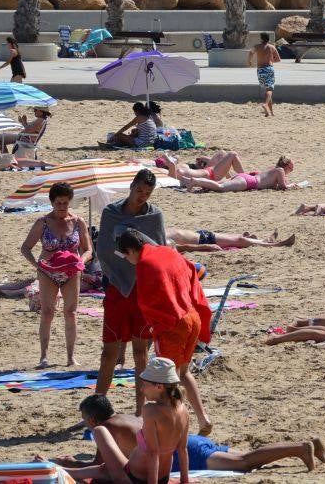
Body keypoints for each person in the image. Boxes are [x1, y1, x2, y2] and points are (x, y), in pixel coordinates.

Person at [57, 394, 325, 476]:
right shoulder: (124, 419)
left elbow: (105, 469)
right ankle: (306, 445)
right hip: (188, 441)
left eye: (85, 421)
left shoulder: (105, 430)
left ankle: (301, 448)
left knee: (245, 462)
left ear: (92, 419)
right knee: (243, 458)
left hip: (186, 453)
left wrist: (66, 465)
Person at [117, 228, 212, 436]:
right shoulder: (168, 251)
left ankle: (176, 428)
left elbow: (146, 302)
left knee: (168, 380)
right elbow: (191, 274)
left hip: (172, 325)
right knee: (184, 371)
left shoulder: (144, 264)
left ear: (131, 250)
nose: (127, 260)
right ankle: (203, 418)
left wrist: (154, 328)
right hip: (191, 316)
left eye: (126, 255)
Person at [95, 169, 167, 415]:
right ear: (131, 186)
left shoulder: (154, 215)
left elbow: (160, 250)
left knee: (140, 353)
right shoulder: (111, 213)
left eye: (147, 193)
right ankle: (98, 408)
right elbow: (103, 250)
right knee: (109, 353)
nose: (141, 197)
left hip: (143, 289)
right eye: (139, 191)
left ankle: (140, 411)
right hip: (116, 287)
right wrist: (124, 258)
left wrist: (140, 262)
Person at [72, 357, 190, 484]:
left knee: (100, 431)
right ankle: (64, 469)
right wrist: (184, 481)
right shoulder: (183, 409)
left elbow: (153, 453)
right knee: (102, 470)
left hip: (136, 477)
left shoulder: (150, 411)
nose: (141, 389)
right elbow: (183, 450)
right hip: (162, 477)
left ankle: (61, 470)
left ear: (159, 386)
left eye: (144, 384)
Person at [20, 182, 93, 368]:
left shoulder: (78, 222)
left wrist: (80, 262)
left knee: (71, 313)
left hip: (71, 272)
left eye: (65, 203)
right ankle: (43, 356)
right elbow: (26, 248)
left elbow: (88, 250)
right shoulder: (42, 222)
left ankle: (70, 357)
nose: (61, 207)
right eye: (58, 203)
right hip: (47, 273)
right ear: (52, 202)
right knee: (47, 312)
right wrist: (37, 265)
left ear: (70, 202)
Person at [178, 156, 302, 193]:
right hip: (249, 182)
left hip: (246, 178)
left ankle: (191, 182)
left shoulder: (274, 169)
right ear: (286, 166)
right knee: (220, 188)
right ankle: (194, 181)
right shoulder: (280, 171)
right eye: (291, 168)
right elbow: (283, 186)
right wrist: (293, 185)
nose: (290, 171)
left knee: (215, 185)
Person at [167, 227, 296, 252]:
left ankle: (264, 240)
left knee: (238, 238)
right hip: (202, 240)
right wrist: (205, 247)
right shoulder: (160, 242)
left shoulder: (153, 232)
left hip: (199, 235)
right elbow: (179, 248)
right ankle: (276, 245)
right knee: (240, 239)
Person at [156, 151, 245, 182]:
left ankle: (230, 177)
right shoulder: (173, 173)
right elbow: (173, 180)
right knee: (232, 154)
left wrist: (203, 159)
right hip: (212, 175)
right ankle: (245, 177)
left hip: (207, 170)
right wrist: (169, 163)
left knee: (221, 153)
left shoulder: (176, 168)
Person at [250, 33, 280, 117]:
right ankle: (266, 104)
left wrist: (249, 62)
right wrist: (271, 60)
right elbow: (278, 59)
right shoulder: (272, 47)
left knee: (267, 90)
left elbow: (250, 53)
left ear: (261, 39)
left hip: (260, 70)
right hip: (269, 69)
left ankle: (270, 112)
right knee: (270, 89)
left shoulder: (256, 47)